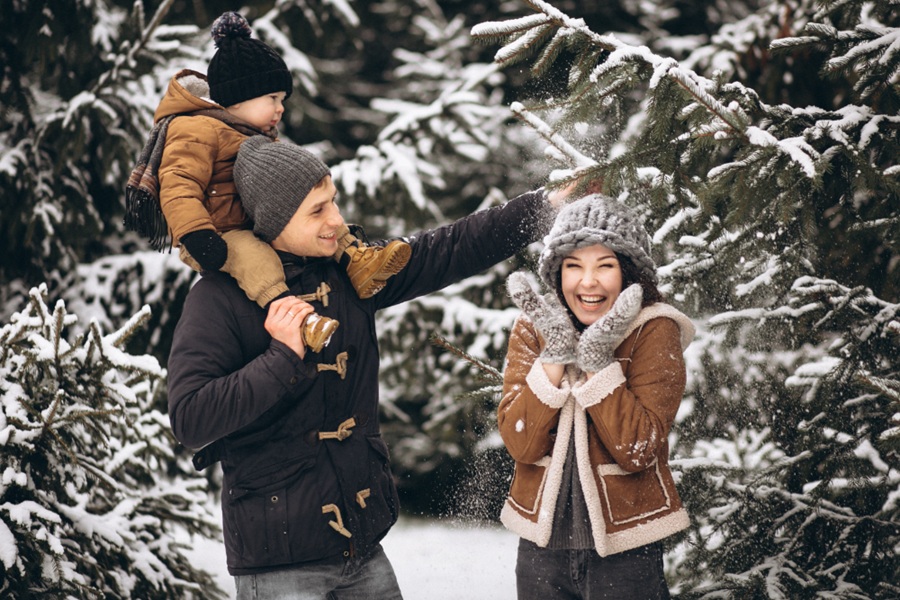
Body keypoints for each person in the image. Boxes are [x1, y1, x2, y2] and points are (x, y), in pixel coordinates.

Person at [166, 134, 559, 599]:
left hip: (363, 545)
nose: (337, 220)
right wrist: (282, 357)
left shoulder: (350, 273)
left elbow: (449, 248)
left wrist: (546, 206)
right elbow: (190, 418)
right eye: (317, 211)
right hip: (279, 560)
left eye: (333, 202)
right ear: (274, 221)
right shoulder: (218, 298)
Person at [125, 11, 409, 345]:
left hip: (253, 220)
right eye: (272, 99)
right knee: (256, 259)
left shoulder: (250, 134)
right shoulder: (195, 129)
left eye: (282, 100)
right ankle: (295, 317)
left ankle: (357, 260)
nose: (280, 109)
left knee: (317, 212)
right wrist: (196, 234)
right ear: (239, 97)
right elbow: (178, 185)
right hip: (217, 234)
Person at [498, 195, 695, 600]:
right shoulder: (534, 329)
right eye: (574, 266)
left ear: (628, 274)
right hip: (540, 550)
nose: (588, 282)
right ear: (557, 273)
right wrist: (553, 356)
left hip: (626, 551)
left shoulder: (654, 330)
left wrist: (597, 363)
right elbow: (520, 442)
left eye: (604, 266)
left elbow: (638, 449)